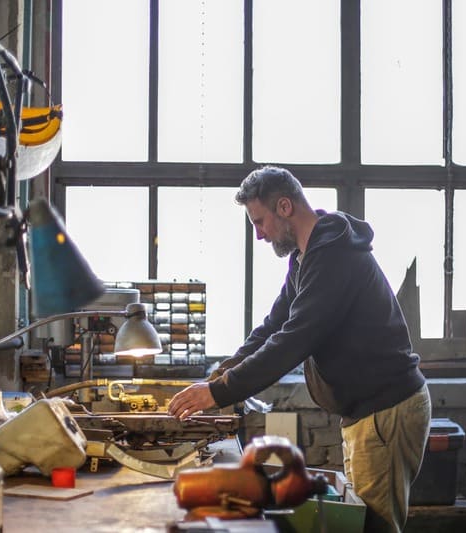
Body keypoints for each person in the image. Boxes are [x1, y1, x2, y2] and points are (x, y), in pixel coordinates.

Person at [168, 165, 431, 532]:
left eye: (260, 222)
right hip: (366, 414)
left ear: (285, 207)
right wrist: (221, 373)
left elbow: (292, 340)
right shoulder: (306, 259)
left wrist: (218, 392)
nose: (259, 235)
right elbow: (273, 325)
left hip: (385, 410)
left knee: (375, 528)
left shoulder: (334, 256)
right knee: (364, 524)